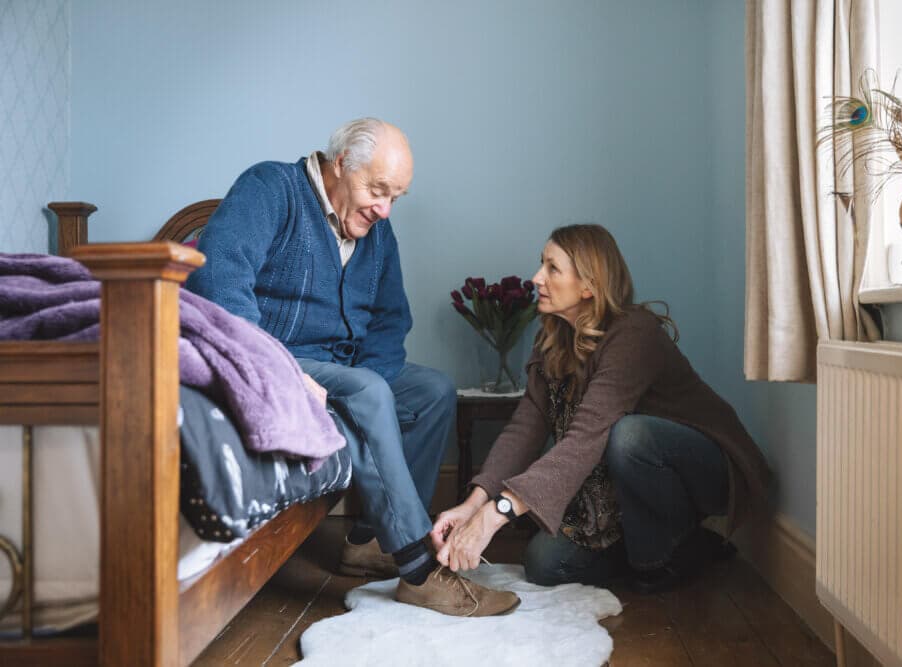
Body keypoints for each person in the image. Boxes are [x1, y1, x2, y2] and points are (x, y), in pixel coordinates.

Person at [186, 118, 518, 616]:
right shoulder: (270, 188)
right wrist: (282, 372)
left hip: (346, 372)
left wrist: (371, 399)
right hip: (277, 361)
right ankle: (417, 569)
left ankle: (368, 542)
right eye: (377, 189)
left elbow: (389, 321)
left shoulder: (378, 235)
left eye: (395, 197)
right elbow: (219, 280)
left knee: (432, 390)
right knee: (367, 392)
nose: (384, 209)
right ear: (340, 164)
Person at [432, 224, 771, 591]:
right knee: (544, 564)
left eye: (552, 268)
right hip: (625, 483)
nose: (536, 278)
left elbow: (584, 439)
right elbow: (524, 430)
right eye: (540, 265)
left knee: (630, 436)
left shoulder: (634, 334)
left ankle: (656, 561)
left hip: (705, 471)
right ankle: (665, 547)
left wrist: (494, 515)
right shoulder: (553, 339)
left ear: (589, 285)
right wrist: (472, 506)